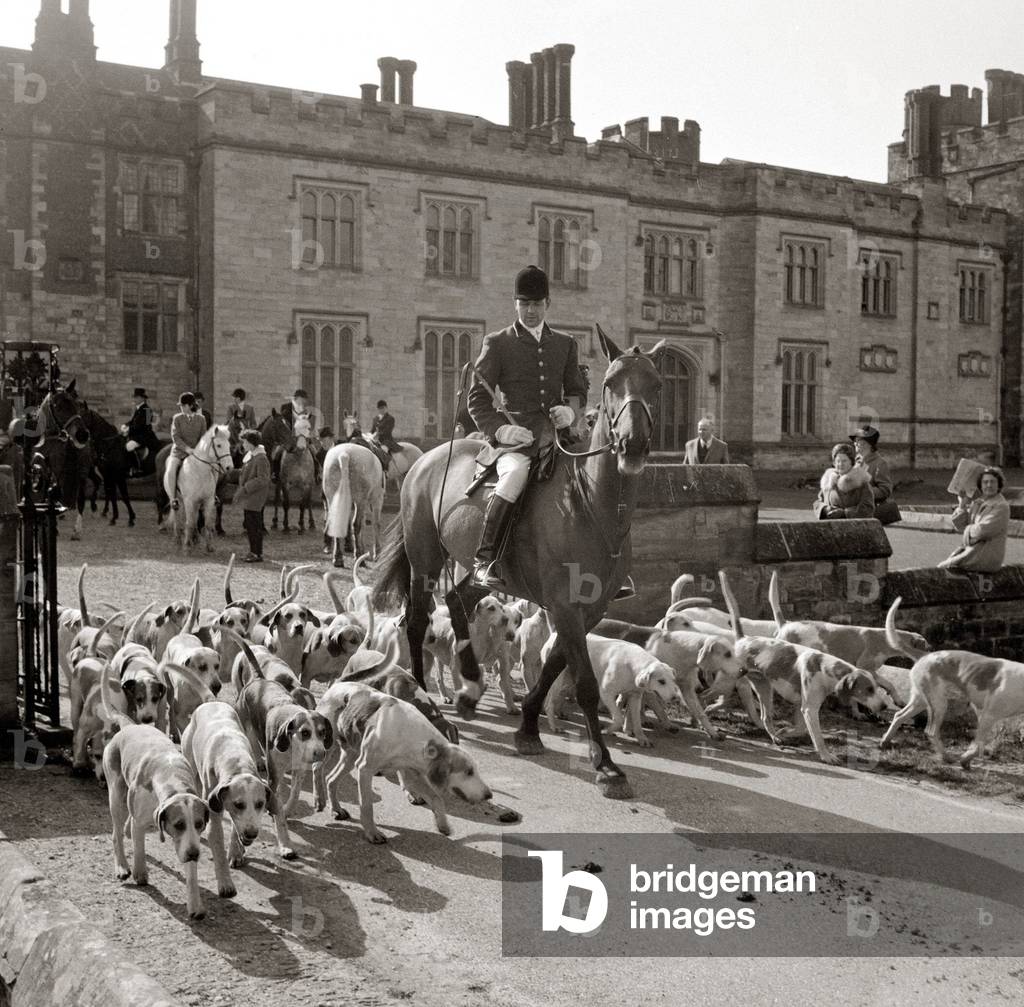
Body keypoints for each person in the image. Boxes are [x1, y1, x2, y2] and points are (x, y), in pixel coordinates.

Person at [466, 264, 588, 591]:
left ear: (548, 303)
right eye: (524, 304)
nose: (531, 311)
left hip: (559, 438)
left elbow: (577, 390)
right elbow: (477, 399)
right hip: (516, 440)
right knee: (515, 476)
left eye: (536, 304)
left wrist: (569, 411)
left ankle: (599, 564)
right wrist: (502, 430)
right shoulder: (498, 343)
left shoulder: (565, 343)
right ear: (515, 304)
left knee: (593, 476)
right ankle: (484, 559)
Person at [938, 467, 1010, 573]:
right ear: (980, 485)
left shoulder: (1001, 506)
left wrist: (969, 535)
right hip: (972, 553)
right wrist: (962, 504)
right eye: (985, 482)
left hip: (985, 557)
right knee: (941, 568)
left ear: (999, 484)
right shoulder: (977, 503)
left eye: (993, 482)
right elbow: (961, 527)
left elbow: (983, 531)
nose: (989, 485)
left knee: (943, 569)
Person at [234, 429, 271, 563]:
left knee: (254, 526)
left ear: (250, 443)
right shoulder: (254, 456)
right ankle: (254, 552)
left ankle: (256, 553)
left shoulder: (261, 458)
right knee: (251, 526)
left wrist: (245, 488)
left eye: (244, 441)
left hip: (255, 498)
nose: (243, 444)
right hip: (251, 497)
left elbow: (263, 479)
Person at [165, 392, 207, 510]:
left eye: (183, 405)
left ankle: (212, 495)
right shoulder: (177, 418)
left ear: (190, 405)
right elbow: (175, 436)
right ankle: (173, 498)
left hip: (195, 452)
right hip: (179, 451)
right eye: (181, 406)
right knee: (171, 469)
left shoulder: (201, 419)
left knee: (210, 466)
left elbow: (203, 437)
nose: (181, 408)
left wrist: (198, 450)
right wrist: (187, 449)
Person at [850, 425, 898, 524]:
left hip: (870, 509)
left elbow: (885, 490)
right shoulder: (856, 462)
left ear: (868, 444)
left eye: (858, 440)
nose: (855, 443)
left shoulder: (880, 463)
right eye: (855, 440)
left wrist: (864, 492)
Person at [813, 443, 874, 520]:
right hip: (831, 527)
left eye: (844, 461)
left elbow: (868, 509)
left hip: (855, 528)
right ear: (834, 463)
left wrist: (844, 513)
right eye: (838, 461)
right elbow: (818, 503)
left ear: (851, 462)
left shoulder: (862, 483)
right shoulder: (828, 481)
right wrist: (825, 509)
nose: (840, 464)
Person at [125, 387, 160, 476]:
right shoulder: (138, 409)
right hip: (136, 436)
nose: (135, 399)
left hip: (144, 436)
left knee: (129, 447)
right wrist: (125, 425)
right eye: (134, 397)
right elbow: (133, 421)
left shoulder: (148, 410)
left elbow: (146, 426)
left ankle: (136, 468)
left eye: (136, 397)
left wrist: (130, 429)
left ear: (142, 398)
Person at [225, 387, 257, 464]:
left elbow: (254, 423)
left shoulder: (250, 408)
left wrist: (249, 431)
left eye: (234, 398)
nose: (234, 400)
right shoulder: (231, 408)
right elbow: (229, 421)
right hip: (233, 437)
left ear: (238, 398)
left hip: (246, 437)